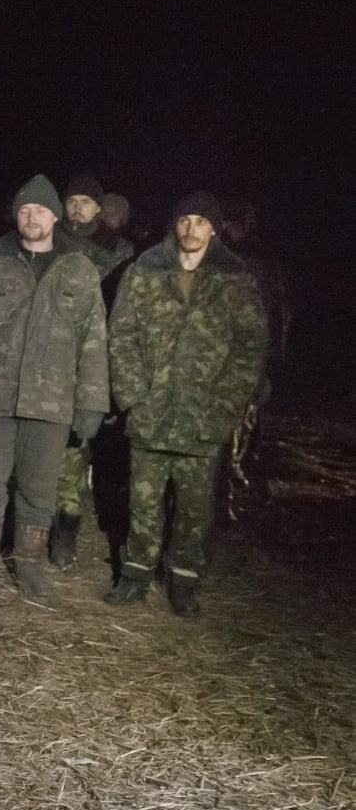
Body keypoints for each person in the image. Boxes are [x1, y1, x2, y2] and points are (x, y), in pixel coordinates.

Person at [0, 174, 109, 604]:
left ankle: (29, 564)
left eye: (40, 210)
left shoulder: (80, 269)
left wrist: (92, 402)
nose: (32, 218)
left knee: (38, 491)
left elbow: (94, 341)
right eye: (24, 211)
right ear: (17, 216)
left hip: (50, 403)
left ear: (55, 216)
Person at [105, 192, 267, 615]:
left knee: (195, 512)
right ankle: (135, 576)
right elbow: (120, 335)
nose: (190, 229)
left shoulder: (236, 280)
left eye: (200, 221)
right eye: (183, 220)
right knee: (142, 503)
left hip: (202, 419)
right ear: (173, 226)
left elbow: (250, 350)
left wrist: (223, 407)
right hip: (151, 414)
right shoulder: (145, 272)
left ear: (214, 228)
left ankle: (184, 584)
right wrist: (133, 396)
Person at [50, 173, 137, 569]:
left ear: (99, 209)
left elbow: (123, 318)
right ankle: (40, 525)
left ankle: (67, 528)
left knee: (80, 448)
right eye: (72, 200)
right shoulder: (48, 241)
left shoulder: (119, 252)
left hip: (92, 361)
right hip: (48, 359)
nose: (77, 208)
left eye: (86, 201)